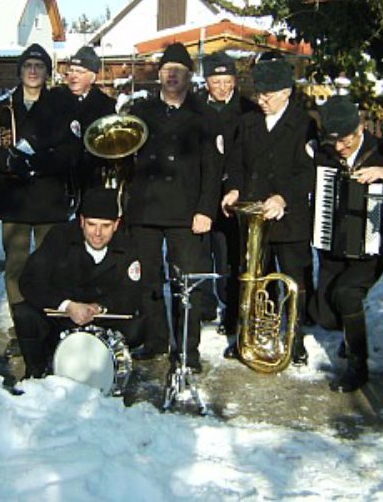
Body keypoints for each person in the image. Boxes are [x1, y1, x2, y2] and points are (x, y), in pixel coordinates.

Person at [126, 43, 223, 372]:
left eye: (178, 71)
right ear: (159, 74)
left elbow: (212, 169)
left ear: (189, 76)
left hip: (186, 213)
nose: (171, 75)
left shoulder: (204, 115)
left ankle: (187, 349)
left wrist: (206, 210)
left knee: (187, 283)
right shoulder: (142, 111)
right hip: (145, 210)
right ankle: (155, 340)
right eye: (167, 69)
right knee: (147, 280)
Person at [0, 44, 79, 357]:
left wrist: (38, 164)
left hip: (49, 199)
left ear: (48, 72)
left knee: (52, 266)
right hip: (15, 201)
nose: (34, 71)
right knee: (17, 267)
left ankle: (51, 322)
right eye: (28, 66)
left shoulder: (61, 107)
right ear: (20, 72)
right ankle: (22, 324)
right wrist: (10, 163)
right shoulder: (2, 108)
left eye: (40, 66)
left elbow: (70, 151)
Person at [221, 55, 317, 365]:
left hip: (289, 218)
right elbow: (235, 162)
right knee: (252, 279)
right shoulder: (248, 122)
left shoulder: (304, 124)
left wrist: (283, 198)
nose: (262, 100)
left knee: (293, 281)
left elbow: (309, 171)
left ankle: (295, 339)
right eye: (258, 94)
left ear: (286, 92)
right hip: (254, 218)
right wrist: (233, 188)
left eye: (268, 95)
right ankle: (248, 335)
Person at [310, 96, 383, 392]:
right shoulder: (323, 153)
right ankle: (351, 331)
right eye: (334, 140)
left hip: (376, 244)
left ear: (360, 127)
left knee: (347, 293)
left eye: (346, 139)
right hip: (333, 241)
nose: (340, 147)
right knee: (324, 314)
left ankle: (357, 367)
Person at [14, 187, 144, 378]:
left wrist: (98, 307)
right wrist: (68, 306)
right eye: (91, 225)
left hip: (103, 318)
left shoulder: (128, 245)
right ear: (81, 221)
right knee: (25, 313)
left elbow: (132, 291)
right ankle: (36, 371)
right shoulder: (59, 237)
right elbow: (30, 281)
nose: (98, 233)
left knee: (137, 325)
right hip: (62, 315)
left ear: (116, 224)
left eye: (105, 226)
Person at [200, 50, 256, 331]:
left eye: (227, 81)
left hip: (231, 192)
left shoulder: (248, 110)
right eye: (216, 81)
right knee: (200, 251)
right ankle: (203, 305)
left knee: (228, 254)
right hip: (200, 192)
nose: (222, 87)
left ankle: (231, 309)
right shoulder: (196, 105)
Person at [54, 46, 116, 192]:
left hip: (91, 181)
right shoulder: (55, 98)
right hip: (58, 180)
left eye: (80, 72)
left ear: (93, 77)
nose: (73, 76)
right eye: (71, 71)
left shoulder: (106, 106)